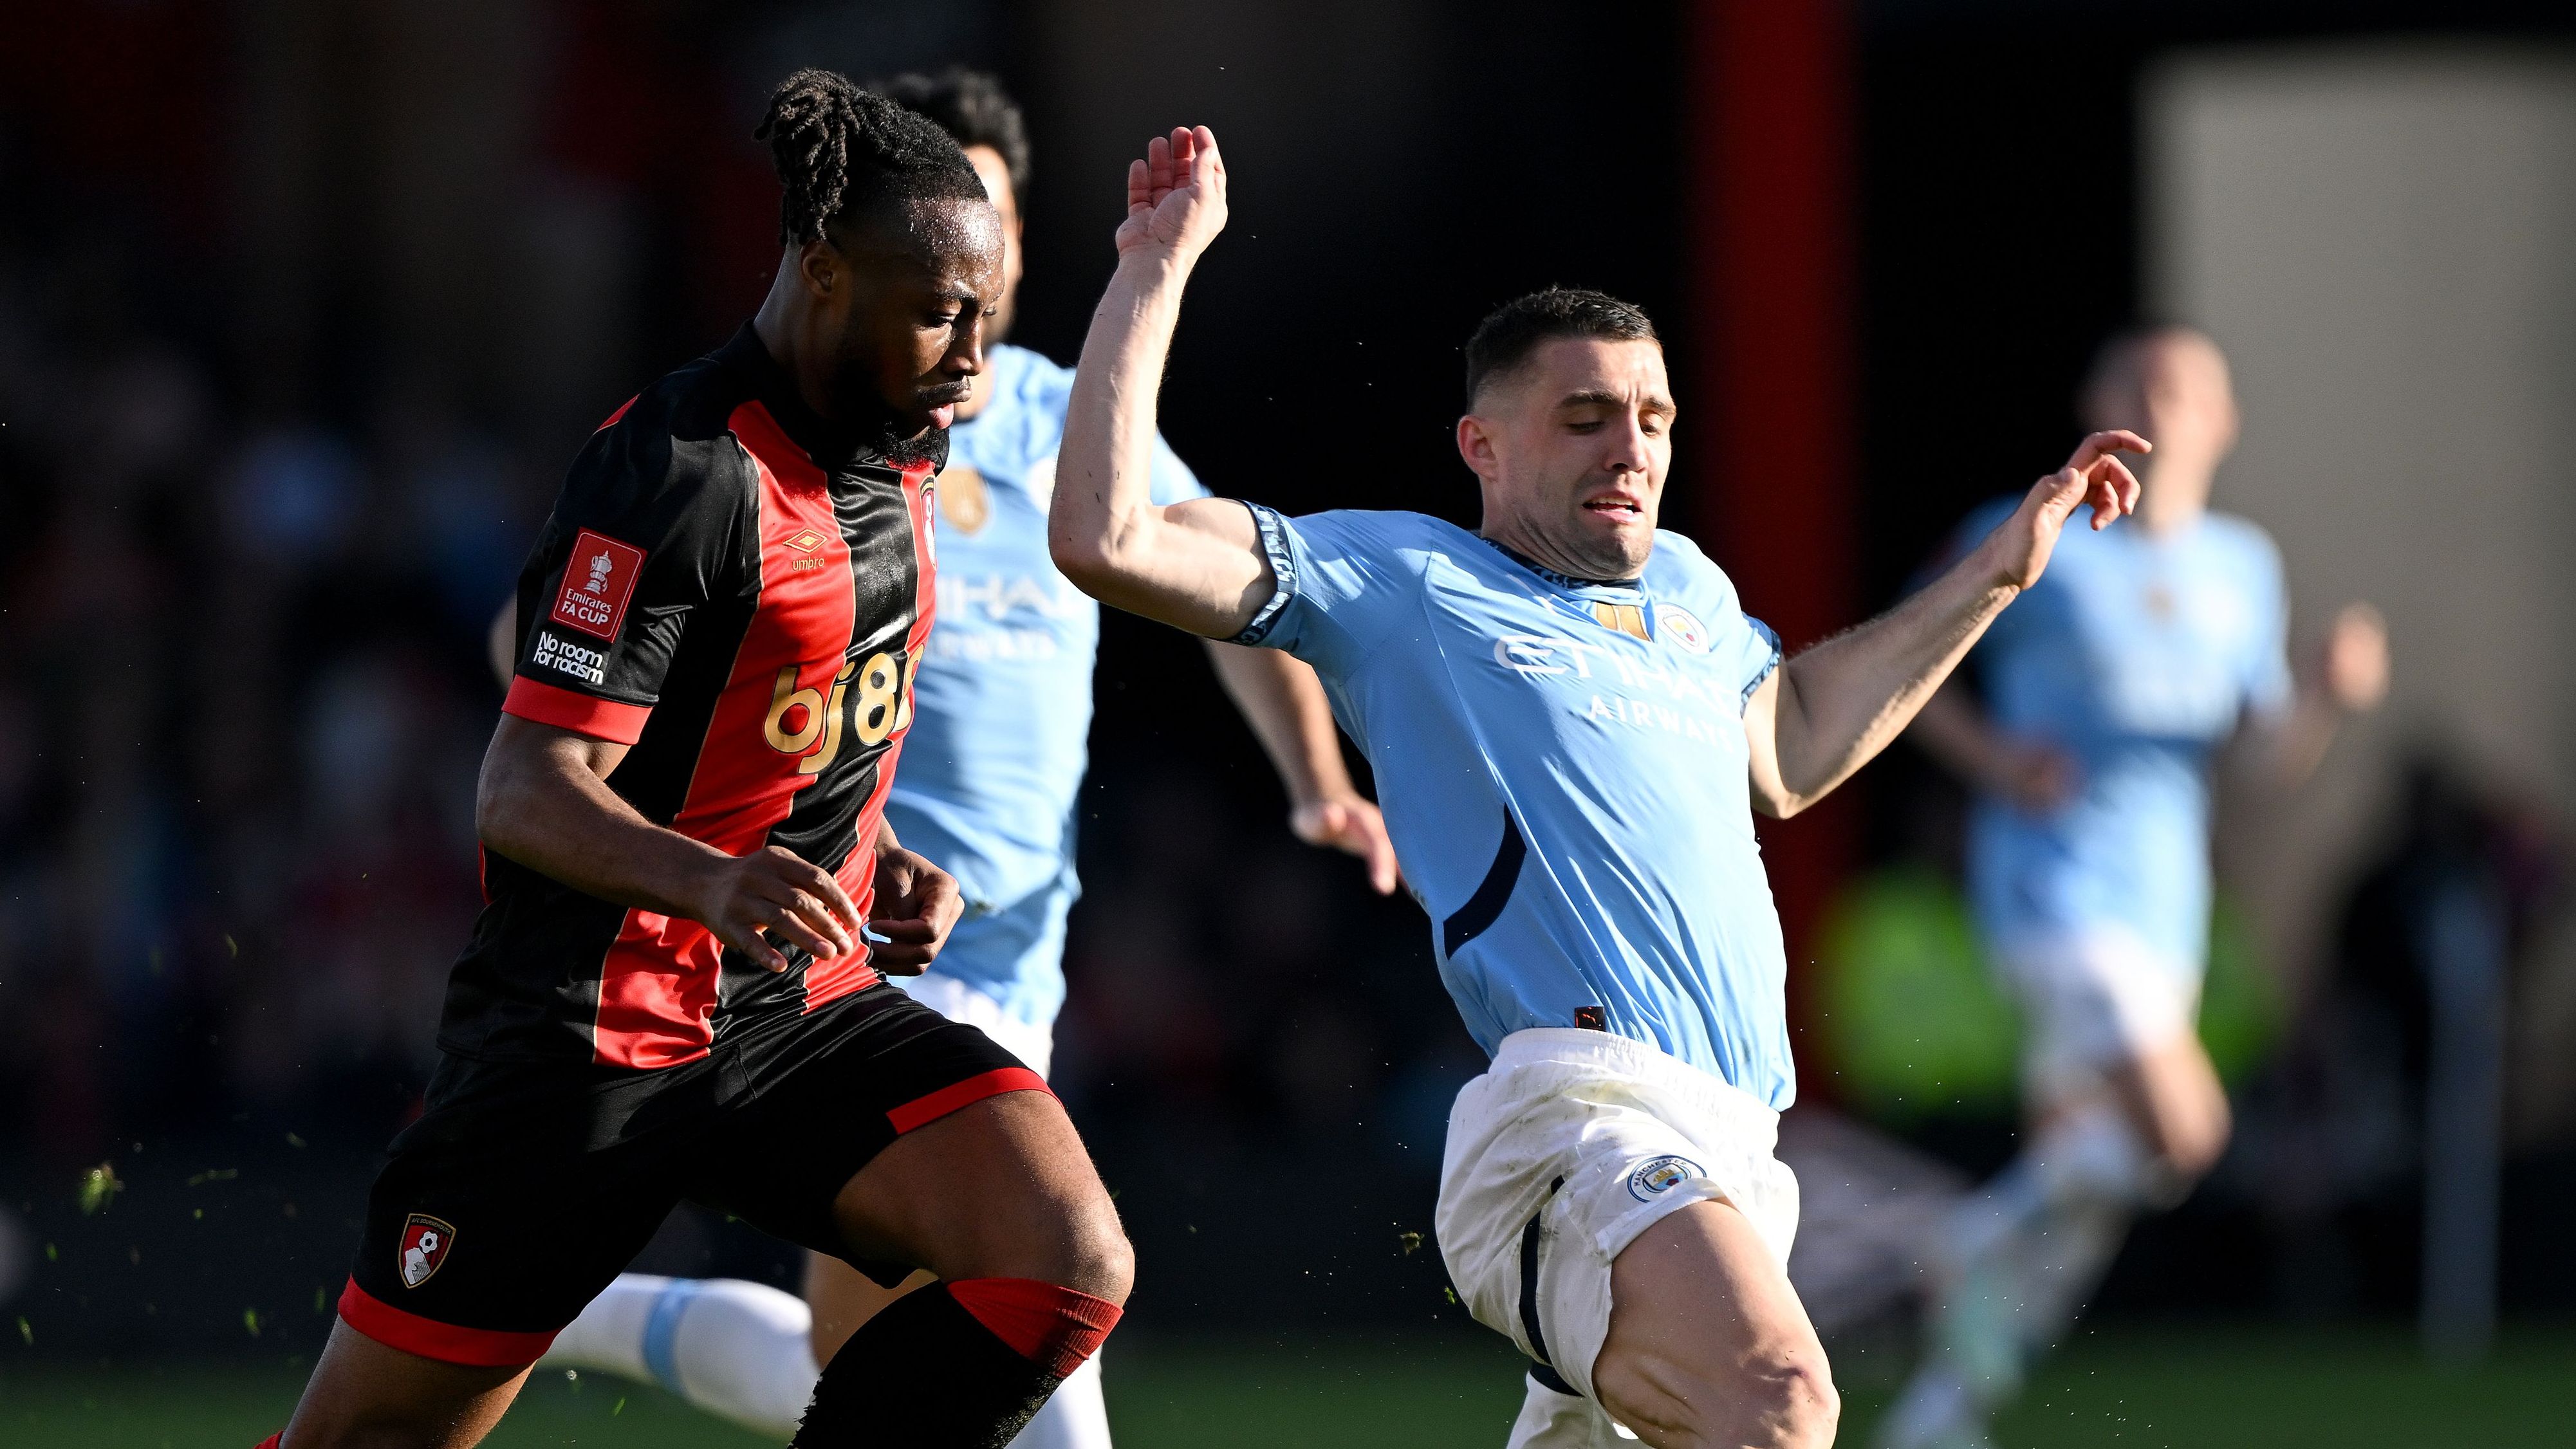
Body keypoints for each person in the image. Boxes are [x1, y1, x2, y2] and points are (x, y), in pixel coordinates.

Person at [1046, 125, 2150, 1449]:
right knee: (1781, 1399)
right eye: (1584, 418)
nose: (1629, 445)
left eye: (1652, 417)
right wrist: (1153, 269)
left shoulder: (1687, 591)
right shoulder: (1403, 582)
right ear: (1483, 447)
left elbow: (1792, 742)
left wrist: (1996, 578)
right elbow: (1105, 538)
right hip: (1577, 1114)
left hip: (1738, 1149)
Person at [261, 70, 1133, 1449]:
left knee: (1062, 1254)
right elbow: (526, 787)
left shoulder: (905, 443)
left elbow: (780, 730)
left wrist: (872, 856)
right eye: (940, 312)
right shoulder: (673, 473)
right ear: (824, 274)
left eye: (984, 309)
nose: (975, 354)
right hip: (582, 1044)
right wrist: (718, 883)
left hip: (795, 1015)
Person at [530, 69, 1395, 1448]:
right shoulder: (782, 428)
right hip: (844, 952)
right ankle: (561, 1299)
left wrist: (1315, 781)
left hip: (1012, 956)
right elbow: (602, 635)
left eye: (982, 223)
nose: (960, 267)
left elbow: (1230, 590)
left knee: (878, 1359)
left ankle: (564, 1304)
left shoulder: (1067, 422)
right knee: (1045, 1329)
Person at [1878, 327, 2388, 1449]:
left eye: (2188, 389)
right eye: (2141, 384)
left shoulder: (2242, 567)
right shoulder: (2046, 537)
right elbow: (1907, 655)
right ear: (2098, 401)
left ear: (2225, 420)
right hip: (2056, 890)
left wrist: (2323, 697)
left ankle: (1944, 1411)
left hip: (2168, 909)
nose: (2165, 404)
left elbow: (2258, 762)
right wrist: (1999, 762)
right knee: (2188, 1131)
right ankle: (1962, 1238)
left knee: (2089, 1195)